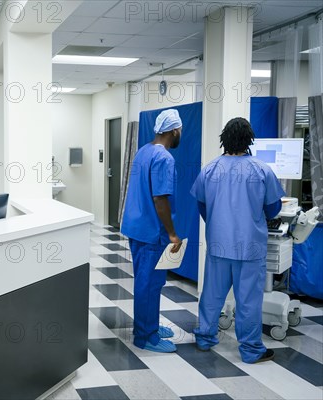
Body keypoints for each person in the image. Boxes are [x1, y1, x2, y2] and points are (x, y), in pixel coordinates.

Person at [190, 117, 284, 363]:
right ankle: (251, 350)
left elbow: (202, 204)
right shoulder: (261, 169)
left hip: (219, 244)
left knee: (211, 295)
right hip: (250, 247)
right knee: (249, 300)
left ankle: (205, 338)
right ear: (249, 140)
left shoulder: (210, 169)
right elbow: (273, 209)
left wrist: (218, 221)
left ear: (224, 139)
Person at [121, 109, 183, 353]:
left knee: (148, 282)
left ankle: (150, 324)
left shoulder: (143, 151)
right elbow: (160, 199)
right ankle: (146, 336)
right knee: (149, 284)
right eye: (180, 131)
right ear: (174, 130)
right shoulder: (164, 158)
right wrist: (171, 233)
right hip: (151, 231)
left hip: (136, 227)